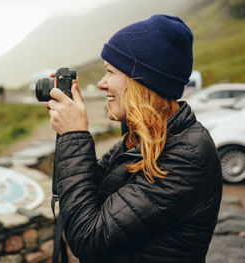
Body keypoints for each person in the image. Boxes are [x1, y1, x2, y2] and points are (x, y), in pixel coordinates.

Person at [46, 15, 222, 263]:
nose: (100, 84)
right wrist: (71, 131)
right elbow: (90, 194)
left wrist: (75, 136)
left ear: (143, 81)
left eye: (110, 72)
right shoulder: (141, 139)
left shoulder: (187, 156)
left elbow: (87, 236)